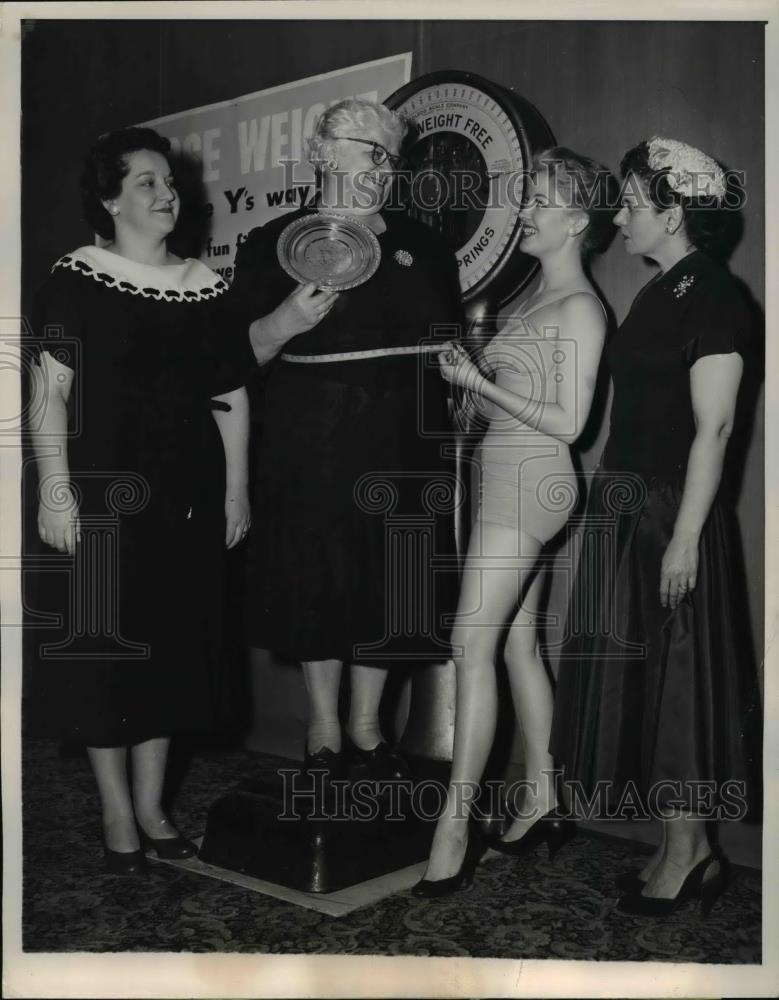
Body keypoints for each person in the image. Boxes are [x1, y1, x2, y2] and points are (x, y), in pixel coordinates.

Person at [29, 127, 250, 874]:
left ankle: (155, 807)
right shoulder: (75, 279)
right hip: (99, 493)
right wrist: (54, 488)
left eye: (169, 181)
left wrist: (235, 491)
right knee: (107, 658)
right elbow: (48, 397)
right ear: (109, 198)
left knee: (173, 656)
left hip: (186, 497)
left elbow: (230, 396)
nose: (166, 194)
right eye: (147, 182)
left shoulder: (206, 284)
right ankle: (117, 812)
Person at [550, 137, 760, 916]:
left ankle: (689, 851)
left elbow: (714, 428)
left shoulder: (713, 295)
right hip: (625, 504)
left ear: (673, 215)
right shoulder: (658, 291)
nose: (619, 216)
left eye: (633, 204)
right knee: (645, 679)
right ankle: (686, 848)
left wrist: (681, 538)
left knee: (678, 684)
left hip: (671, 511)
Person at [229, 99, 462, 780]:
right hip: (310, 435)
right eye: (373, 152)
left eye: (392, 158)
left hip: (402, 437)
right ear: (324, 149)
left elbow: (445, 351)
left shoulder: (426, 246)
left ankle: (367, 728)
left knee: (389, 582)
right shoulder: (270, 242)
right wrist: (282, 321)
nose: (386, 171)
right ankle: (324, 727)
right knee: (317, 578)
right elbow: (234, 358)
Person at [413, 148, 617, 896]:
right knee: (518, 647)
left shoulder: (581, 309)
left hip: (532, 481)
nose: (524, 210)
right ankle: (543, 795)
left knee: (469, 647)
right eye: (527, 195)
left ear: (577, 220)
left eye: (539, 199)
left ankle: (454, 828)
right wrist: (463, 383)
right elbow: (501, 398)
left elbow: (568, 423)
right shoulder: (533, 294)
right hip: (503, 473)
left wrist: (478, 382)